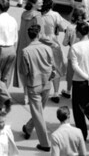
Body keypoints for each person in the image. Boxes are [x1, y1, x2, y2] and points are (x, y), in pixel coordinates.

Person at [17, 22, 56, 150]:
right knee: (39, 112)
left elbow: (24, 71)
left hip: (34, 85)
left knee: (38, 113)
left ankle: (45, 144)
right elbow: (53, 66)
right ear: (38, 35)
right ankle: (28, 128)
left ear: (29, 36)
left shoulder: (25, 51)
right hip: (47, 84)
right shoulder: (47, 48)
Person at [66, 21, 89, 140]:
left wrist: (87, 77)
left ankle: (83, 135)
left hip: (79, 82)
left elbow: (75, 66)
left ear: (79, 32)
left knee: (78, 111)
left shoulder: (75, 47)